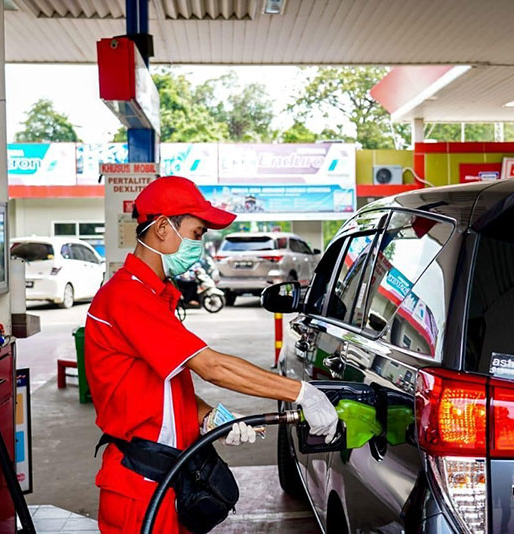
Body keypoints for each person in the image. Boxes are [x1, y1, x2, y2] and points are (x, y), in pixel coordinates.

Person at [85, 176, 338, 533]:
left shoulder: (153, 295)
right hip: (139, 487)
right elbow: (211, 366)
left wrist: (207, 418)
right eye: (197, 233)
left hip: (166, 478)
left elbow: (160, 386)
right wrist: (301, 393)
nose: (199, 245)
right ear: (162, 228)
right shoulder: (128, 296)